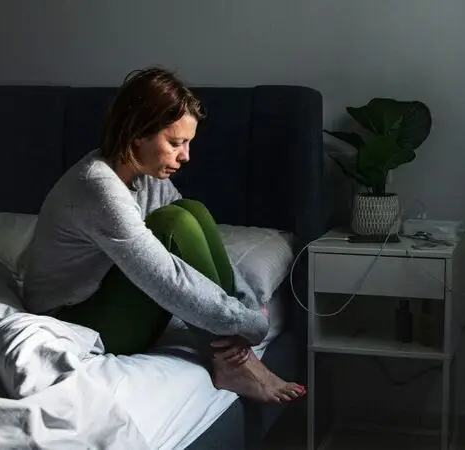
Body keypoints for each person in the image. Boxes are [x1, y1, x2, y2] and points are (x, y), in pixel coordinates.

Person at [22, 67, 305, 403]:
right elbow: (166, 277)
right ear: (138, 133)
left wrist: (243, 307)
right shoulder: (97, 186)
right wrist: (244, 323)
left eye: (187, 143)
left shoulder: (146, 178)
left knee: (191, 211)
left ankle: (235, 360)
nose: (185, 156)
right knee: (174, 223)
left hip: (106, 300)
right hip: (72, 320)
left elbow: (194, 249)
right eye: (175, 142)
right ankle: (232, 363)